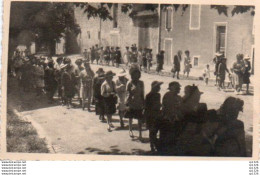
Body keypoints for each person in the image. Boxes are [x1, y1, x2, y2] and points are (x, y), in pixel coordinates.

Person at [125, 66, 145, 139]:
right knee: (130, 118)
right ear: (132, 75)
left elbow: (142, 93)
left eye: (137, 74)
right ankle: (130, 130)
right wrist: (127, 104)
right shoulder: (129, 83)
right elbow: (127, 93)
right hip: (131, 103)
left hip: (139, 103)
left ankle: (140, 134)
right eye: (134, 74)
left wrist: (144, 103)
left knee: (139, 119)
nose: (136, 76)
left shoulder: (141, 83)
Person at [144, 81, 163, 152]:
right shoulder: (148, 95)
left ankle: (154, 145)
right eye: (158, 87)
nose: (159, 88)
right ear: (153, 87)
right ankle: (152, 146)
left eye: (159, 87)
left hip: (157, 115)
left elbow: (159, 104)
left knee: (155, 131)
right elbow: (146, 107)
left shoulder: (158, 95)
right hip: (150, 116)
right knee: (152, 132)